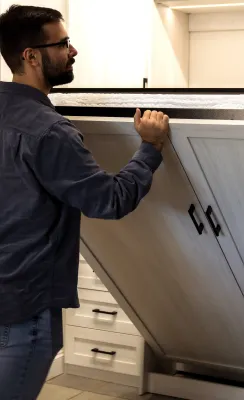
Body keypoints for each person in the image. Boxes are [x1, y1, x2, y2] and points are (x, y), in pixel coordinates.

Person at [0, 5, 170, 399]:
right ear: (31, 56)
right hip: (23, 308)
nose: (73, 52)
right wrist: (150, 147)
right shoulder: (49, 132)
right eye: (62, 44)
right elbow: (109, 200)